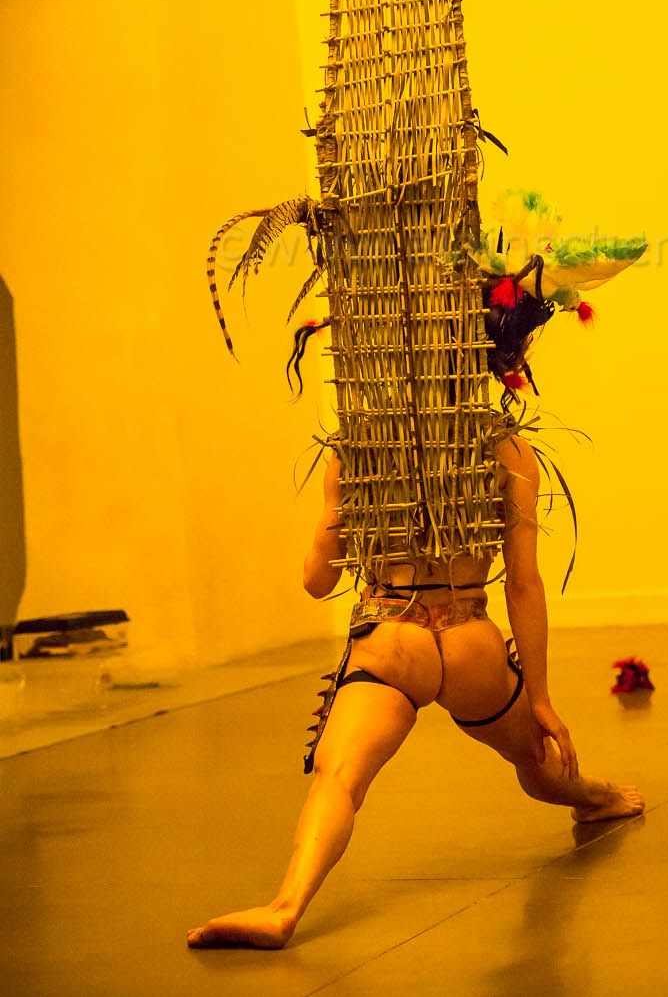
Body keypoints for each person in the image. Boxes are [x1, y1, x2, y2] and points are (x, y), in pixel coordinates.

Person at [186, 279, 644, 951]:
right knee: (537, 764)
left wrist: (341, 520)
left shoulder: (356, 452)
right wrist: (541, 697)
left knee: (339, 778)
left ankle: (284, 908)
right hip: (467, 637)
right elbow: (523, 584)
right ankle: (597, 795)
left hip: (390, 638)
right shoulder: (506, 449)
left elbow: (316, 582)